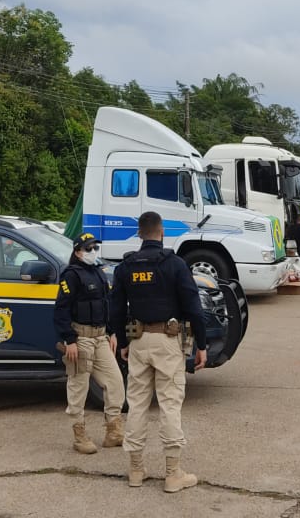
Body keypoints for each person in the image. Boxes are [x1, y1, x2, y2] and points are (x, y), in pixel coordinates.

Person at [110, 211, 209, 493]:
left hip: (138, 341)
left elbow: (115, 309)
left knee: (137, 404)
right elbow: (193, 307)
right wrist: (201, 345)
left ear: (140, 233)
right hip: (168, 341)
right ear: (162, 231)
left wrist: (123, 342)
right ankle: (173, 474)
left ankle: (136, 471)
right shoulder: (175, 264)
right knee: (169, 404)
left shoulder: (126, 266)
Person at [53, 232, 125, 455]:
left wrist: (112, 332)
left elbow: (106, 305)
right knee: (78, 388)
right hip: (81, 338)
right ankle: (80, 436)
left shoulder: (98, 272)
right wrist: (69, 340)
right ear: (77, 252)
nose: (93, 252)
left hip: (101, 337)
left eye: (95, 248)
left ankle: (113, 432)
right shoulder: (71, 275)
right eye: (88, 248)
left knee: (115, 383)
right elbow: (61, 310)